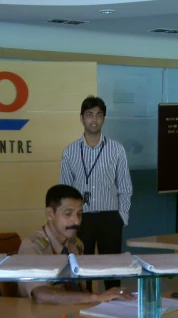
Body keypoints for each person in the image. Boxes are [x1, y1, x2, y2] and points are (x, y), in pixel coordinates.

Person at [59, 95, 133, 290]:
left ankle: (115, 308)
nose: (94, 120)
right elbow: (64, 191)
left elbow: (125, 187)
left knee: (113, 270)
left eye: (99, 115)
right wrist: (67, 221)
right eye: (89, 115)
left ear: (104, 119)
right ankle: (85, 310)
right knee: (83, 271)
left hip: (110, 217)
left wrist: (121, 217)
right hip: (80, 218)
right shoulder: (70, 151)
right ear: (82, 118)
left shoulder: (116, 150)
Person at [18, 184, 134, 305]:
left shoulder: (75, 244)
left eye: (79, 213)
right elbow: (40, 294)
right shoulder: (33, 247)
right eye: (68, 214)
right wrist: (96, 297)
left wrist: (104, 301)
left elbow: (81, 289)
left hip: (71, 314)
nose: (77, 221)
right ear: (50, 214)